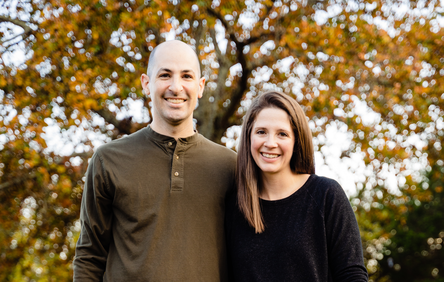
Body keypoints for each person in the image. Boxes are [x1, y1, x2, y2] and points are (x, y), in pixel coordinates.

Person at [73, 40, 237, 281]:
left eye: (187, 76)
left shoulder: (230, 166)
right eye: (165, 75)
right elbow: (89, 256)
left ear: (200, 87)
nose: (176, 86)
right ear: (146, 84)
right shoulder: (108, 160)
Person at [225, 91, 368, 281]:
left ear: (296, 141)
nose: (270, 143)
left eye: (282, 134)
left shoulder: (325, 195)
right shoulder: (234, 206)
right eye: (261, 132)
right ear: (249, 136)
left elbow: (352, 275)